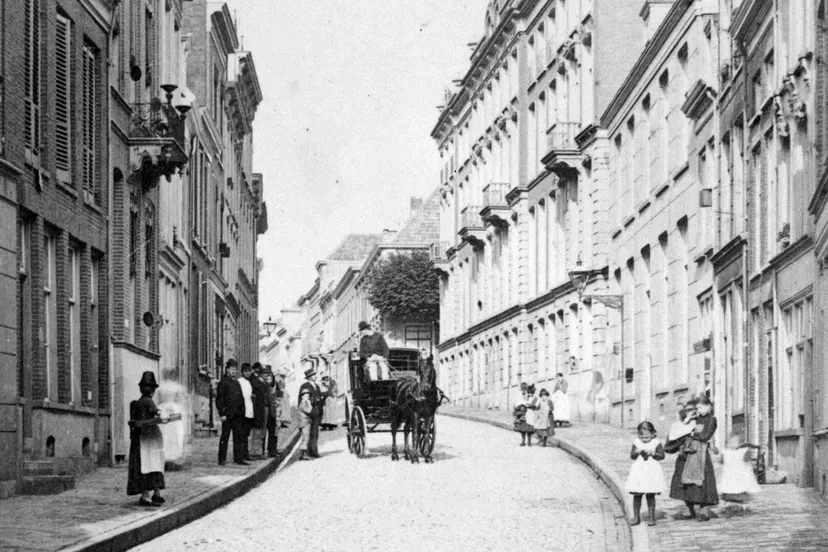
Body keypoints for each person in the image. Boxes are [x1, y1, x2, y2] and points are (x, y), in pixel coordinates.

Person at [666, 395, 719, 521]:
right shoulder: (693, 418)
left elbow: (705, 436)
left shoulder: (711, 419)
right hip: (686, 453)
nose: (699, 411)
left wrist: (691, 433)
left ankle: (703, 510)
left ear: (709, 406)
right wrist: (688, 423)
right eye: (697, 408)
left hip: (700, 453)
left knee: (703, 480)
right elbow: (678, 430)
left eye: (701, 408)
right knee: (683, 479)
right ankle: (688, 509)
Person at [127, 371, 167, 506]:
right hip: (148, 439)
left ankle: (155, 493)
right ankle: (148, 495)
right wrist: (161, 413)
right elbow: (157, 412)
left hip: (145, 438)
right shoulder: (148, 401)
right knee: (151, 464)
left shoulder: (138, 402)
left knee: (150, 464)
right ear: (152, 390)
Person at [625, 421, 666, 526]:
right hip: (639, 470)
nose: (644, 440)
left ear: (652, 434)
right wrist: (636, 452)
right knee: (637, 494)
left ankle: (651, 517)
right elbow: (632, 456)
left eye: (647, 437)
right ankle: (636, 517)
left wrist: (653, 453)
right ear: (638, 435)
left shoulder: (656, 443)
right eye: (642, 437)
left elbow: (662, 455)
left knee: (650, 494)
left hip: (651, 470)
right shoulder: (636, 442)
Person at [718, 433, 761, 514]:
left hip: (739, 474)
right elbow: (721, 460)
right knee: (729, 487)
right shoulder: (726, 452)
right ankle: (730, 504)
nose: (733, 444)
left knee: (739, 486)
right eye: (731, 442)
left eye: (735, 442)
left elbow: (747, 459)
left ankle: (738, 504)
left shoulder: (743, 451)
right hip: (730, 475)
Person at [215, 359, 247, 466]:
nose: (233, 371)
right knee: (225, 437)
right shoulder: (223, 382)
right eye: (231, 369)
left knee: (238, 437)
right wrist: (222, 414)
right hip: (228, 415)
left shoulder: (236, 382)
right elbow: (219, 399)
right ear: (227, 370)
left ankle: (238, 458)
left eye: (235, 369)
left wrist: (243, 412)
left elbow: (241, 398)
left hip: (238, 415)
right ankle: (221, 459)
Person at [298, 367, 322, 458]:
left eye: (315, 375)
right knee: (307, 433)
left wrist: (320, 412)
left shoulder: (317, 386)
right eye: (313, 375)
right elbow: (302, 402)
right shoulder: (305, 386)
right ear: (309, 377)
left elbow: (320, 401)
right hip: (308, 412)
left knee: (315, 433)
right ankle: (305, 452)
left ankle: (314, 450)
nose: (315, 376)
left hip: (316, 411)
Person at [248, 362, 271, 459]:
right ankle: (256, 453)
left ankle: (260, 451)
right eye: (264, 373)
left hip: (263, 408)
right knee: (257, 431)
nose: (266, 375)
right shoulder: (255, 382)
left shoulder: (263, 382)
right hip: (257, 408)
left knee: (262, 431)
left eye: (267, 373)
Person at [238, 363, 255, 462]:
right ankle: (242, 455)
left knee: (247, 434)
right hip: (243, 411)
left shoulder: (249, 382)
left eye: (249, 371)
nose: (247, 373)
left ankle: (245, 453)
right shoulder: (239, 381)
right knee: (242, 434)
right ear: (242, 372)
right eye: (245, 371)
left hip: (249, 410)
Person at [263, 370, 280, 458]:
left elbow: (280, 397)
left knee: (273, 433)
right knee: (263, 434)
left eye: (270, 379)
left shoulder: (275, 387)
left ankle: (272, 451)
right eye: (267, 379)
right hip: (266, 412)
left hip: (274, 412)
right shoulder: (264, 387)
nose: (269, 381)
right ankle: (262, 451)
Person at [513, 382, 534, 447]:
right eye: (523, 388)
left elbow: (531, 401)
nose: (524, 389)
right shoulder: (520, 394)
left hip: (529, 412)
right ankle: (524, 441)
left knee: (529, 428)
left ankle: (528, 441)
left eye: (525, 388)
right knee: (523, 428)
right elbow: (517, 402)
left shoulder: (529, 393)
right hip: (524, 413)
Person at [297, 389, 314, 461]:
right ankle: (304, 455)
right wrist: (310, 404)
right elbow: (309, 411)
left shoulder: (303, 403)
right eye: (306, 396)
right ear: (302, 397)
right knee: (306, 439)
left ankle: (302, 454)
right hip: (305, 422)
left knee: (304, 438)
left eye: (308, 396)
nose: (308, 397)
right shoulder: (304, 403)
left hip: (304, 422)